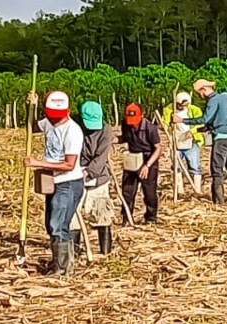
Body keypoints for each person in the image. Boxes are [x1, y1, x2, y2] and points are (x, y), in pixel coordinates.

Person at [26, 91, 85, 275]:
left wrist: (38, 163)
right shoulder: (48, 123)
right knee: (50, 224)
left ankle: (64, 269)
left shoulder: (72, 131)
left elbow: (69, 164)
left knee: (58, 225)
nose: (53, 119)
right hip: (53, 181)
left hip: (68, 182)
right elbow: (32, 126)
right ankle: (58, 262)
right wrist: (31, 106)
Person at [171, 80, 227, 205]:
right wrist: (199, 130)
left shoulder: (213, 100)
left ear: (204, 89)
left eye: (199, 93)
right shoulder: (224, 98)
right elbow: (214, 122)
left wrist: (182, 120)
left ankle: (219, 203)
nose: (200, 96)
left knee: (217, 172)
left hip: (221, 140)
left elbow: (205, 119)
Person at [74, 101, 115, 254]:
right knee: (74, 215)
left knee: (101, 213)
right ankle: (75, 251)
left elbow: (101, 157)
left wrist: (88, 172)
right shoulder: (74, 126)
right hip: (75, 174)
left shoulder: (106, 131)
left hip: (98, 177)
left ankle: (105, 253)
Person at [120, 103, 162, 223]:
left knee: (149, 192)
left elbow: (158, 148)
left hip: (148, 158)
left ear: (141, 116)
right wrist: (112, 140)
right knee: (127, 191)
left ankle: (151, 218)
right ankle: (127, 218)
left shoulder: (150, 128)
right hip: (132, 158)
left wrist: (147, 165)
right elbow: (125, 138)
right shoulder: (125, 124)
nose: (133, 124)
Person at [163, 92, 205, 194]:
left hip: (192, 141)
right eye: (182, 105)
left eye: (186, 105)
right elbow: (164, 124)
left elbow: (201, 123)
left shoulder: (195, 110)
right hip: (176, 141)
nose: (184, 107)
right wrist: (168, 126)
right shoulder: (168, 110)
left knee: (194, 166)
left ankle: (197, 191)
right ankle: (180, 191)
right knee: (176, 166)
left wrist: (192, 132)